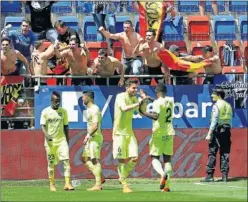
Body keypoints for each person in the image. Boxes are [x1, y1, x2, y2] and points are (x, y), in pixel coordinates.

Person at [139, 84, 175, 192]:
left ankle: (162, 174)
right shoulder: (170, 100)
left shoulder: (156, 103)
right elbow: (161, 103)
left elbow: (155, 116)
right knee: (167, 159)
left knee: (154, 157)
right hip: (169, 132)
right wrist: (150, 98)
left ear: (156, 91)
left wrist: (143, 112)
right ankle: (167, 186)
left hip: (159, 132)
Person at [113, 79, 144, 193]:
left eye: (136, 88)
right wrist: (138, 103)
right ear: (127, 88)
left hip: (129, 132)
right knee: (122, 159)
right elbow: (124, 108)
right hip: (119, 132)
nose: (135, 90)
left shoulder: (135, 98)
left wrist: (144, 101)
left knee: (135, 157)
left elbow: (141, 112)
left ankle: (121, 177)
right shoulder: (120, 96)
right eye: (133, 88)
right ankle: (125, 184)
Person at [40, 91, 74, 191]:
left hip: (61, 141)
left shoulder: (63, 111)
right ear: (51, 101)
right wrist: (47, 135)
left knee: (66, 161)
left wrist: (67, 141)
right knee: (51, 163)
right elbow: (43, 126)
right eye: (55, 101)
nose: (57, 103)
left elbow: (66, 127)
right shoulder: (45, 112)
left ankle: (67, 184)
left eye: (58, 101)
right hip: (50, 143)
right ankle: (52, 184)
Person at [201, 88, 232, 182]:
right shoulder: (228, 105)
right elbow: (230, 119)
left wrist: (209, 134)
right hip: (227, 130)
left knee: (212, 152)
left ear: (218, 95)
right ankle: (225, 176)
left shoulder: (217, 105)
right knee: (225, 153)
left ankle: (210, 176)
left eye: (213, 94)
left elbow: (214, 120)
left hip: (217, 130)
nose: (211, 96)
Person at [81, 90, 104, 191]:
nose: (82, 99)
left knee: (94, 160)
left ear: (88, 98)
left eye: (83, 97)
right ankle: (100, 176)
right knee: (84, 159)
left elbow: (95, 126)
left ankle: (98, 184)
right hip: (91, 138)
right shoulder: (89, 109)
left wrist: (87, 135)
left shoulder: (94, 109)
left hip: (95, 137)